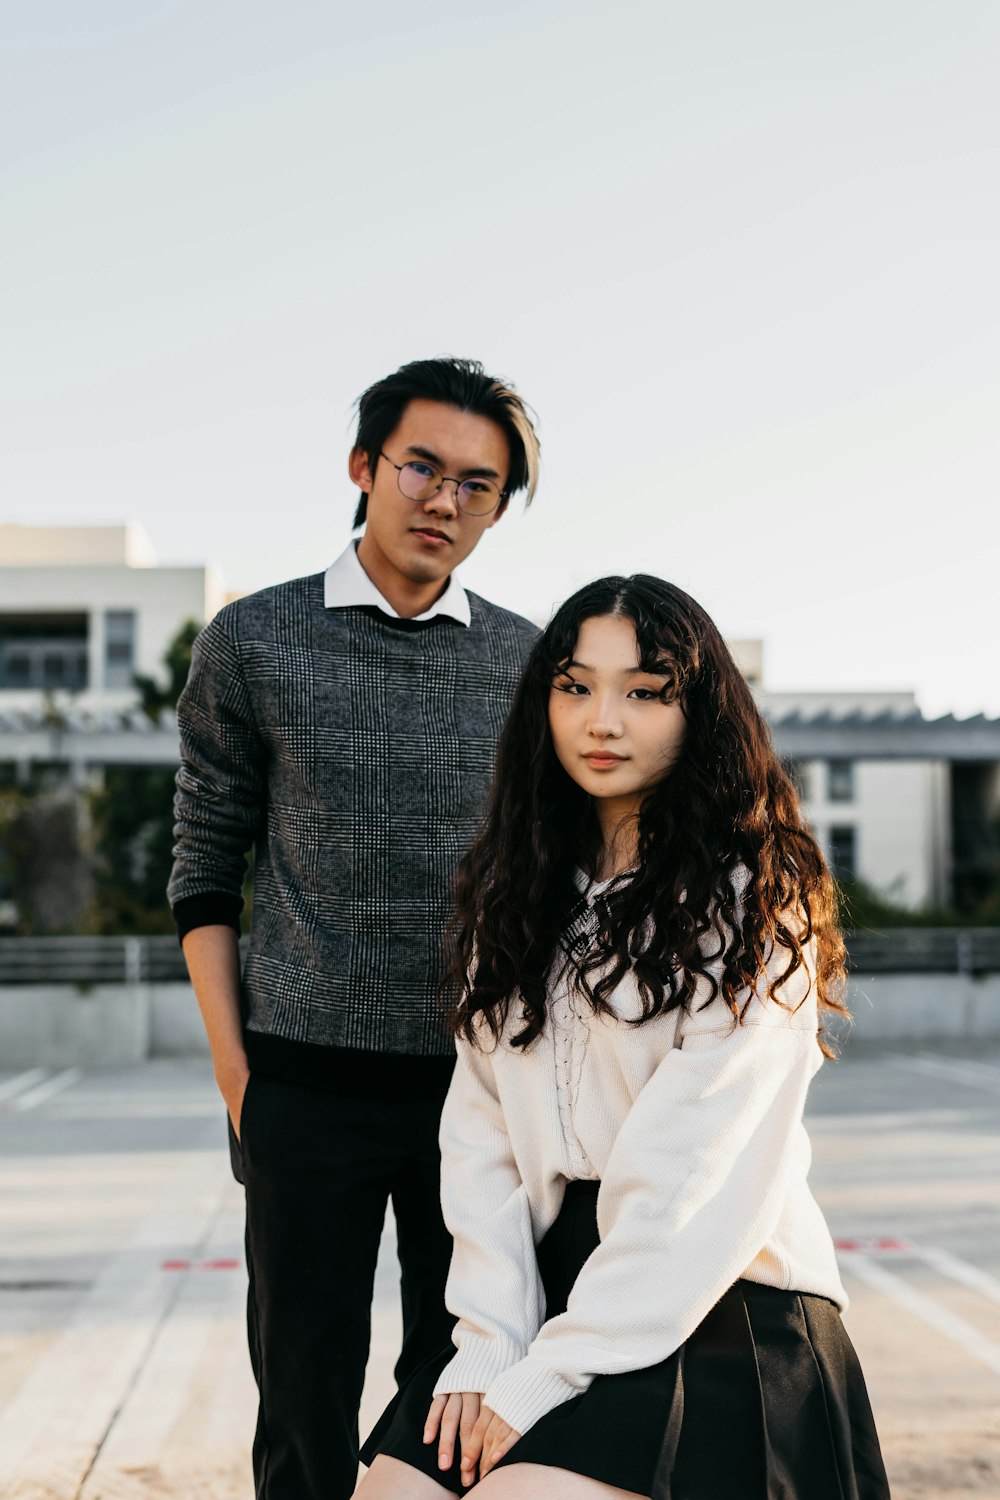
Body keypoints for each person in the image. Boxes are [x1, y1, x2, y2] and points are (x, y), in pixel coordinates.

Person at [356, 574, 890, 1500]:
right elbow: (478, 1137)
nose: (603, 719)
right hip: (542, 1291)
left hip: (719, 1294)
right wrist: (488, 1341)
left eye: (644, 692)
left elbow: (696, 1176)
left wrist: (548, 1375)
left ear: (701, 714)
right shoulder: (515, 896)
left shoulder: (755, 903)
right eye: (575, 686)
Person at [167, 357, 542, 1500]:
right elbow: (204, 860)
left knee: (462, 1377)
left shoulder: (530, 661)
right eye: (423, 467)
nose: (445, 501)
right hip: (300, 1080)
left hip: (475, 1089)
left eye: (478, 484)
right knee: (302, 1386)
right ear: (363, 468)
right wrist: (242, 1074)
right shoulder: (255, 639)